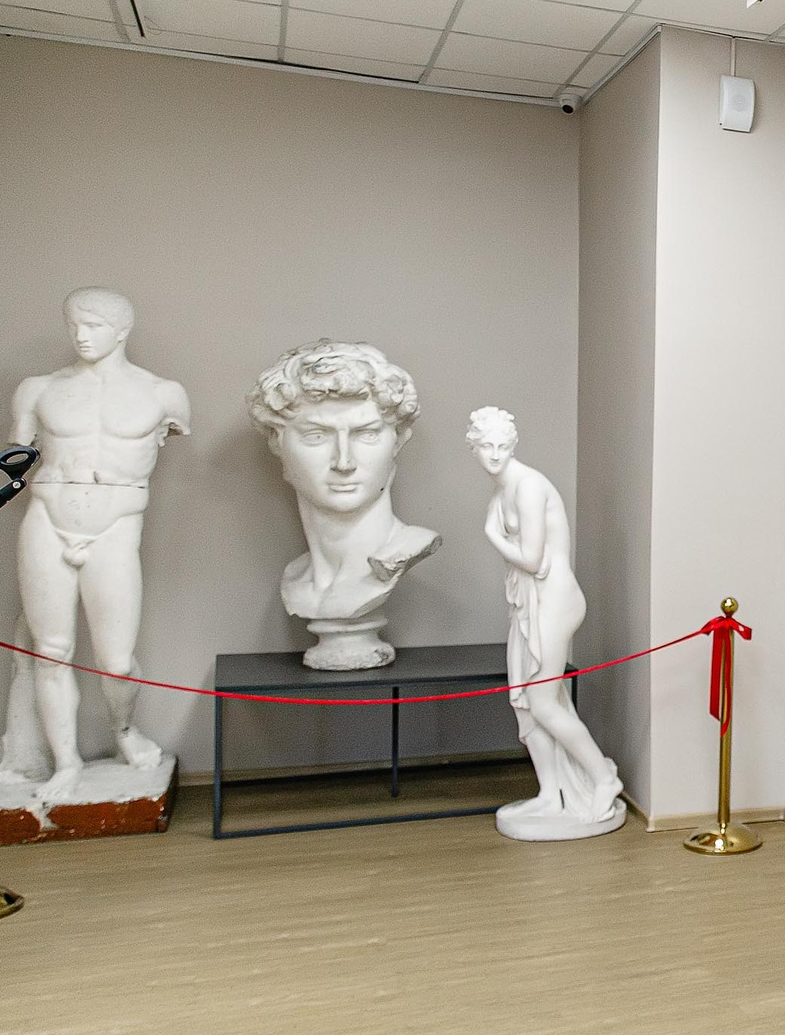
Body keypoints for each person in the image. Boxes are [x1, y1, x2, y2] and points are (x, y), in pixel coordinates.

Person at [0, 288, 190, 799]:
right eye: (74, 325)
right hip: (47, 518)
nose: (81, 336)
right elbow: (19, 449)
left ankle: (124, 730)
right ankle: (67, 763)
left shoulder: (163, 394)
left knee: (117, 661)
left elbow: (173, 432)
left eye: (94, 326)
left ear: (123, 330)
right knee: (51, 652)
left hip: (116, 525)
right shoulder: (38, 389)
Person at [468, 406, 622, 832]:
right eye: (486, 446)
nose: (494, 454)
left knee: (543, 702)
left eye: (502, 446)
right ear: (473, 448)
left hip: (553, 601)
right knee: (523, 701)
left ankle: (604, 778)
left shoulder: (528, 486)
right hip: (527, 604)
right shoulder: (503, 492)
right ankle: (550, 795)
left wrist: (492, 535)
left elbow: (533, 560)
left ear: (513, 446)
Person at [246, 340, 440, 669]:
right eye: (316, 436)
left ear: (398, 440)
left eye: (366, 434)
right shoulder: (298, 578)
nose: (344, 462)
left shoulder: (409, 546)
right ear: (278, 443)